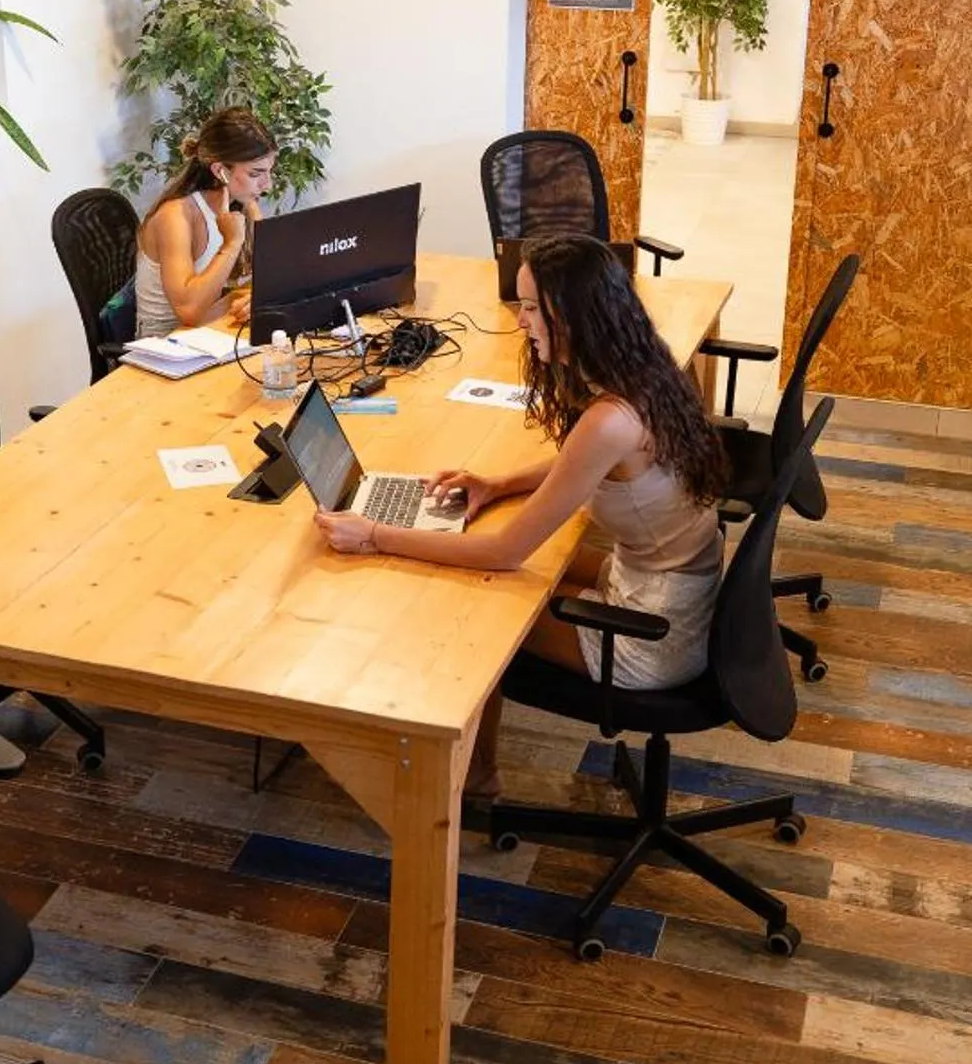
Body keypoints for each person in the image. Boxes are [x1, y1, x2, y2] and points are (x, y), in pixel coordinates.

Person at [312, 232, 727, 799]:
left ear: (573, 316)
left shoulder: (609, 420)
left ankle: (474, 781)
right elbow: (582, 462)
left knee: (478, 610)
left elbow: (506, 554)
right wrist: (497, 483)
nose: (522, 322)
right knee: (488, 549)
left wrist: (376, 535)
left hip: (654, 637)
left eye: (532, 309)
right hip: (666, 583)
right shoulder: (644, 373)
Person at [134, 107, 278, 336]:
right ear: (221, 171)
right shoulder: (175, 216)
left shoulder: (242, 202)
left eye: (269, 172)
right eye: (255, 174)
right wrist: (231, 244)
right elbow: (189, 312)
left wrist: (256, 298)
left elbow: (274, 270)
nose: (267, 185)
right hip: (166, 345)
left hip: (211, 330)